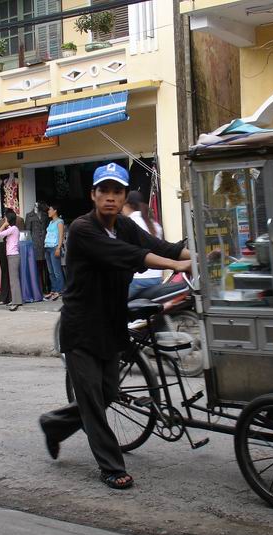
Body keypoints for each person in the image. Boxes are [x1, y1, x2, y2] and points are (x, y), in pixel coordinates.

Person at [39, 163, 191, 490]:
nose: (110, 197)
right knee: (93, 401)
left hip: (111, 324)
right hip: (80, 327)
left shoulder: (124, 225)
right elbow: (127, 255)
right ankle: (110, 466)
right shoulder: (82, 229)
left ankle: (53, 424)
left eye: (116, 192)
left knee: (108, 393)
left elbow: (160, 246)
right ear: (93, 195)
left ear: (123, 197)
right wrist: (175, 265)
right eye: (103, 191)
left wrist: (199, 255)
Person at [122, 190, 164, 297]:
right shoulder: (154, 224)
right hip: (157, 277)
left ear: (128, 205)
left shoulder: (129, 223)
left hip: (138, 279)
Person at [0, 210, 22, 312]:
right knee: (13, 279)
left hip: (13, 256)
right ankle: (16, 300)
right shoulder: (13, 229)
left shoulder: (13, 229)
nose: (4, 219)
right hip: (12, 255)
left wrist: (4, 225)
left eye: (6, 218)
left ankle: (15, 301)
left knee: (13, 279)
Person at [43, 203, 65, 301]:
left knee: (56, 271)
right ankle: (54, 289)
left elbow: (61, 235)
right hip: (47, 247)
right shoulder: (51, 222)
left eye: (50, 210)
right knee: (51, 271)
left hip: (54, 247)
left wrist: (58, 248)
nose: (48, 211)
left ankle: (60, 290)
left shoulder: (60, 222)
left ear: (55, 211)